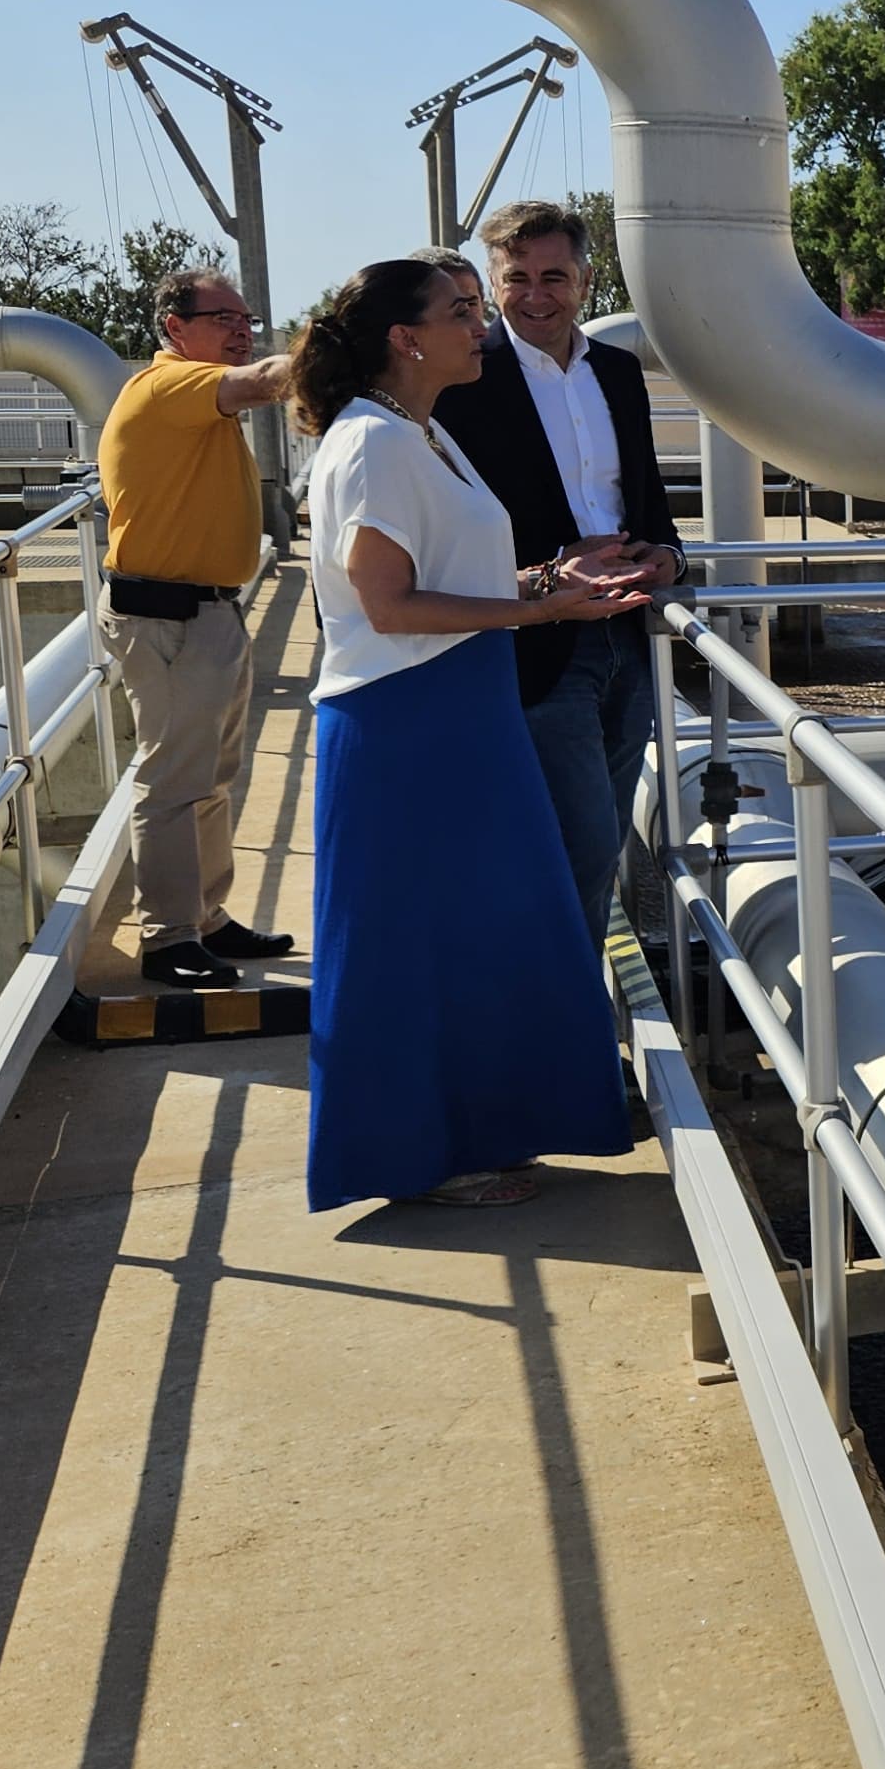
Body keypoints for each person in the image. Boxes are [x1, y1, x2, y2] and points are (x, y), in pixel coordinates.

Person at [292, 258, 648, 1209]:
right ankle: (421, 1157)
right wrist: (545, 617)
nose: (479, 329)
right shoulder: (374, 442)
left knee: (476, 930)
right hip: (409, 721)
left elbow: (449, 572)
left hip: (457, 708)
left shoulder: (423, 432)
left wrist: (547, 580)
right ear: (406, 338)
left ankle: (478, 1136)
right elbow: (388, 606)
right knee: (417, 942)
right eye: (462, 313)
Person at [433, 201, 685, 942]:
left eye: (554, 276)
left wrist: (670, 556)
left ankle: (563, 993)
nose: (536, 295)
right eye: (516, 279)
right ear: (491, 281)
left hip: (628, 637)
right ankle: (567, 1015)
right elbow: (439, 527)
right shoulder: (463, 380)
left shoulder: (618, 371)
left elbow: (646, 497)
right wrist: (541, 577)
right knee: (578, 843)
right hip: (532, 642)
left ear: (586, 279)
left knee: (603, 830)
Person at [94, 269, 298, 989]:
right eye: (224, 318)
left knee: (211, 776)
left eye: (246, 318)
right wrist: (338, 348)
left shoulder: (195, 399)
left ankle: (206, 918)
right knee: (175, 781)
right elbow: (264, 381)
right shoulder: (169, 385)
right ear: (175, 328)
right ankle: (169, 936)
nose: (242, 330)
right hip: (169, 618)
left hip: (206, 612)